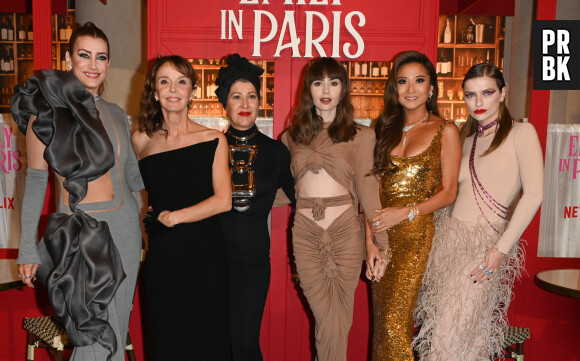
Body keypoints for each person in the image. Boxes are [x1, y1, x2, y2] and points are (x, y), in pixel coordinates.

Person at [12, 22, 144, 361]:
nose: (93, 65)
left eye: (101, 57)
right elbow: (37, 181)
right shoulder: (46, 115)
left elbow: (132, 176)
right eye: (84, 55)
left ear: (108, 64)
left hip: (126, 230)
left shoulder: (116, 114)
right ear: (69, 59)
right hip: (80, 236)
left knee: (117, 327)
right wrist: (27, 248)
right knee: (91, 335)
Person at [413, 63, 543, 361]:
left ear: (502, 93)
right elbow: (447, 196)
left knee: (448, 342)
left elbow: (535, 194)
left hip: (482, 250)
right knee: (458, 343)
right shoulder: (463, 137)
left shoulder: (521, 133)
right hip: (446, 248)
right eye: (471, 95)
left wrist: (500, 249)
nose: (479, 102)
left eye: (487, 93)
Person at [282, 57, 388, 361]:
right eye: (318, 82)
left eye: (334, 82)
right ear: (309, 90)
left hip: (345, 235)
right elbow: (284, 188)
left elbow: (369, 194)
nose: (325, 89)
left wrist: (382, 245)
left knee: (338, 321)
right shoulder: (290, 137)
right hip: (305, 236)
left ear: (344, 88)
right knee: (329, 320)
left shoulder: (362, 135)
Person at [132, 55, 232, 361]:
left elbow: (223, 200)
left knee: (206, 340)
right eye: (164, 81)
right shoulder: (140, 141)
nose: (173, 88)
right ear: (154, 91)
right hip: (162, 258)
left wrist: (174, 217)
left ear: (192, 91)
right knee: (166, 340)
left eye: (181, 81)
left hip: (205, 255)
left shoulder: (213, 139)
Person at [366, 50, 461, 361]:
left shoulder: (445, 130)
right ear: (394, 87)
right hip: (382, 237)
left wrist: (406, 212)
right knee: (382, 327)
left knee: (397, 327)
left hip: (415, 238)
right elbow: (371, 193)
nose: (411, 89)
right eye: (403, 81)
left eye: (419, 81)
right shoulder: (381, 129)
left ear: (431, 86)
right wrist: (371, 244)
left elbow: (448, 193)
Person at [214, 53, 296, 361]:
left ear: (260, 102)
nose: (245, 103)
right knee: (220, 342)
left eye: (251, 95)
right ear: (226, 103)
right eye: (237, 96)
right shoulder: (211, 146)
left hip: (252, 263)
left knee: (245, 342)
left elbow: (301, 197)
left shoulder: (276, 152)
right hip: (212, 259)